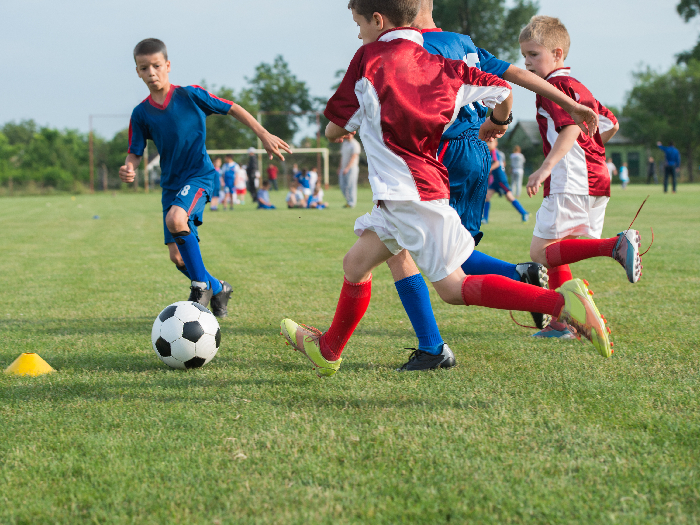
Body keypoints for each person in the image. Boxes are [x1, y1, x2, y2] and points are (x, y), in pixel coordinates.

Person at [280, 1, 613, 379]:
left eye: (358, 24)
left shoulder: (368, 58)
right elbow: (504, 90)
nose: (358, 33)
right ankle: (328, 350)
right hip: (411, 191)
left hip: (410, 195)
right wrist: (497, 122)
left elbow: (332, 129)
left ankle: (559, 303)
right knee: (355, 264)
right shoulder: (446, 67)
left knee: (454, 288)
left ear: (377, 20)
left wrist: (350, 125)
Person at [377, 0, 602, 371]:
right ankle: (510, 288)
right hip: (476, 152)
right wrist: (511, 117)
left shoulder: (410, 46)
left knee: (438, 259)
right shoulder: (463, 43)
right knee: (426, 247)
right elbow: (510, 78)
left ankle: (442, 341)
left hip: (437, 153)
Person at [120, 38, 291, 317]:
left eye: (156, 66)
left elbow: (232, 107)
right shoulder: (141, 114)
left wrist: (263, 134)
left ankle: (201, 286)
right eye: (144, 68)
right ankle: (218, 287)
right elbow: (134, 152)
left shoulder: (190, 95)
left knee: (176, 219)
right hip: (171, 186)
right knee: (177, 257)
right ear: (137, 71)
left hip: (199, 175)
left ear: (168, 65)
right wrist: (129, 167)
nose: (151, 73)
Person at [520, 16, 644, 339]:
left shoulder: (554, 87)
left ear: (557, 54)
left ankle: (615, 245)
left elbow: (571, 127)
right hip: (595, 177)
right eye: (524, 57)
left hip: (570, 178)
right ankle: (565, 321)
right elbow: (611, 124)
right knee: (558, 246)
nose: (527, 63)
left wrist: (546, 167)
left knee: (539, 252)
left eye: (534, 55)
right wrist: (591, 152)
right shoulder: (579, 87)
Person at [483, 138, 529, 222]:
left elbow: (497, 163)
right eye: (487, 142)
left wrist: (488, 170)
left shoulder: (494, 152)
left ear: (496, 143)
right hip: (495, 181)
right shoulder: (490, 153)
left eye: (490, 142)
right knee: (487, 196)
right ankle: (485, 218)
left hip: (501, 180)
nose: (488, 144)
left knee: (509, 197)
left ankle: (524, 213)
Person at [339, 134, 362, 208]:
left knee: (350, 185)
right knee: (342, 186)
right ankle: (348, 201)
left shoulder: (355, 144)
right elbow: (342, 157)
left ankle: (351, 203)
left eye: (350, 134)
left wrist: (347, 168)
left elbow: (354, 156)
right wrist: (340, 167)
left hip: (352, 168)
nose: (348, 136)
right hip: (343, 168)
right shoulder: (344, 143)